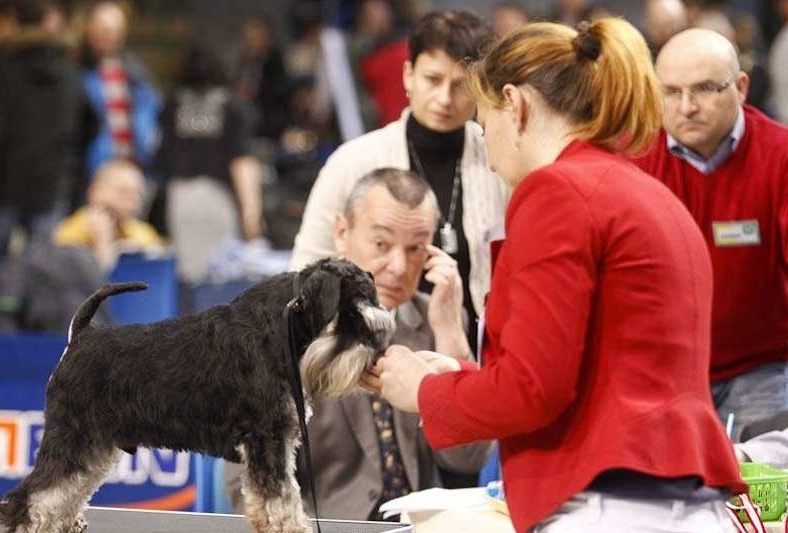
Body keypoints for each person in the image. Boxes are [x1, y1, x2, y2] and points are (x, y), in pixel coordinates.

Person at [364, 18, 745, 533]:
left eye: (483, 124)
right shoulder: (645, 190)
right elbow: (584, 375)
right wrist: (458, 383)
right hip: (675, 502)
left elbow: (533, 390)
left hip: (613, 506)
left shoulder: (556, 193)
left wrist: (422, 392)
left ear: (514, 106)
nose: (486, 147)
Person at [225, 168, 491, 520]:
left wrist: (451, 338)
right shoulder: (281, 329)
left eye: (415, 249)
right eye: (381, 244)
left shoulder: (434, 317)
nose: (398, 266)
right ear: (341, 232)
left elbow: (467, 459)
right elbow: (253, 486)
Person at [290, 10, 508, 356]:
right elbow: (306, 272)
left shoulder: (503, 162)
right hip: (373, 364)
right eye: (432, 80)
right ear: (408, 75)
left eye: (461, 84)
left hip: (479, 362)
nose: (445, 99)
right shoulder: (353, 161)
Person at [630, 28, 788, 441]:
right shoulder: (634, 160)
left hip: (759, 370)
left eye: (703, 89)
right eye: (671, 92)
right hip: (660, 372)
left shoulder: (780, 158)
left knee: (757, 490)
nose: (686, 107)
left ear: (740, 87)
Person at [0, 0, 94, 266]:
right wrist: (70, 166)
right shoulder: (70, 70)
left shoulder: (0, 68)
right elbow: (91, 125)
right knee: (43, 271)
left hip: (5, 189)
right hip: (53, 186)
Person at [154, 42, 262, 283]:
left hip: (180, 197)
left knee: (187, 278)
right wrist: (252, 216)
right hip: (218, 200)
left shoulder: (171, 106)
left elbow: (160, 157)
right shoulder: (233, 107)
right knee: (221, 280)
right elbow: (241, 161)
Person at [79, 0, 160, 179]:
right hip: (94, 171)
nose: (107, 36)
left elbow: (151, 115)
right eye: (102, 29)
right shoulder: (78, 73)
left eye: (113, 30)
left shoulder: (137, 74)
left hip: (134, 168)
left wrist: (147, 145)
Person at [54, 159, 163, 271]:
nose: (133, 201)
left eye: (137, 194)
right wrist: (103, 245)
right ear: (95, 192)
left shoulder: (141, 231)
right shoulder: (70, 233)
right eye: (124, 192)